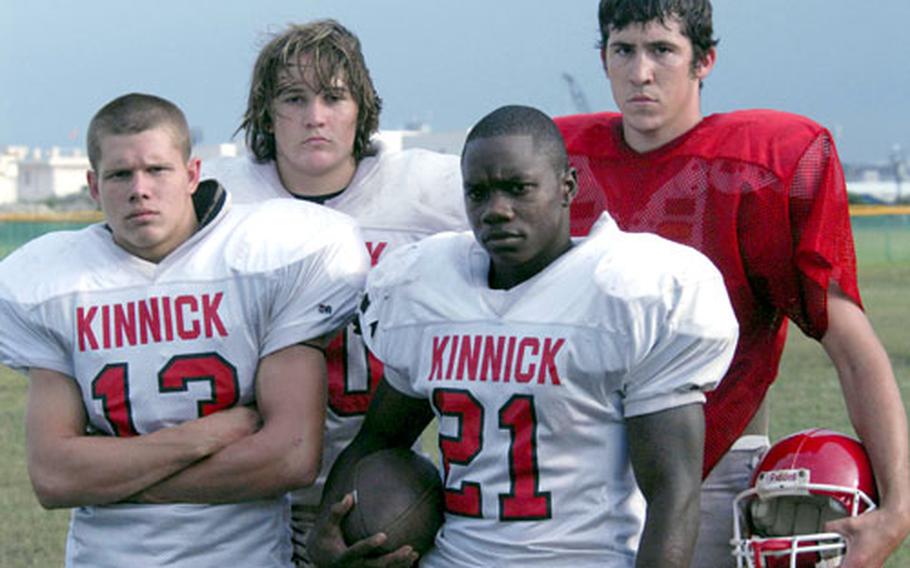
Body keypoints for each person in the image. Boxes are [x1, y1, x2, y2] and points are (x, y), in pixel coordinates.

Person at [554, 1, 910, 566]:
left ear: (705, 61)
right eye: (624, 50)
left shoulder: (763, 166)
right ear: (603, 58)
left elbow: (852, 347)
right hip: (570, 473)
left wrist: (899, 508)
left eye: (662, 50)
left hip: (713, 471)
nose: (640, 72)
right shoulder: (558, 165)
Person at [307, 105, 739, 567]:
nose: (496, 210)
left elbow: (673, 493)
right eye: (478, 193)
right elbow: (376, 440)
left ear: (566, 187)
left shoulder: (628, 291)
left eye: (518, 189)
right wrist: (324, 536)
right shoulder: (429, 290)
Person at [0, 93, 369, 567]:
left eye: (157, 170)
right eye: (119, 175)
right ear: (93, 186)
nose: (139, 189)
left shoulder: (266, 257)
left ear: (192, 174)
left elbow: (290, 457)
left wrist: (116, 479)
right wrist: (203, 437)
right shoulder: (56, 283)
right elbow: (54, 477)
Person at [200, 20, 468, 565]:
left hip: (378, 486)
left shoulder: (424, 191)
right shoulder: (222, 199)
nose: (314, 117)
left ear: (362, 109)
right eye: (294, 98)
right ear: (265, 112)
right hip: (245, 489)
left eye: (333, 97)